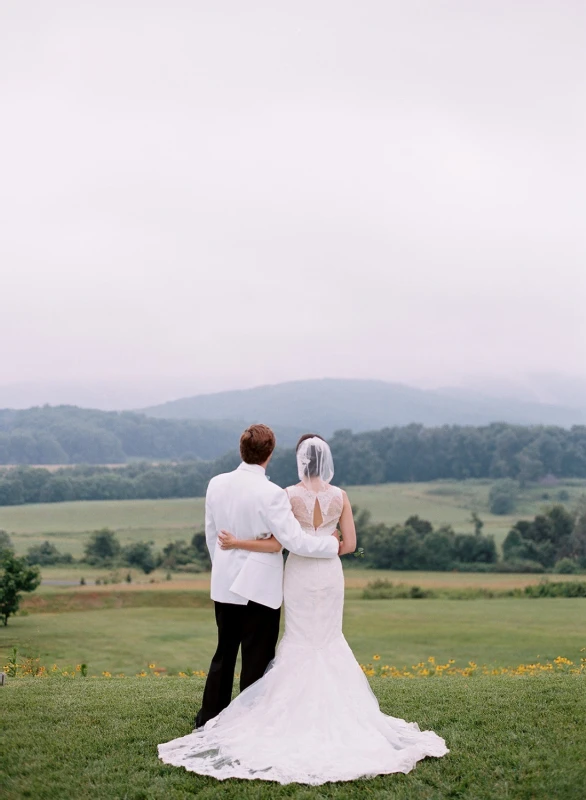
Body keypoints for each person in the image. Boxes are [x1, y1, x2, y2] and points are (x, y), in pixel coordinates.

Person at [158, 430, 448, 784]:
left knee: (226, 651)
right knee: (271, 650)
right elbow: (345, 545)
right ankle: (250, 714)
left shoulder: (232, 485)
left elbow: (215, 533)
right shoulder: (332, 496)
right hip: (316, 575)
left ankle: (211, 716)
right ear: (272, 453)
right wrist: (331, 544)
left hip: (249, 578)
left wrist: (225, 559)